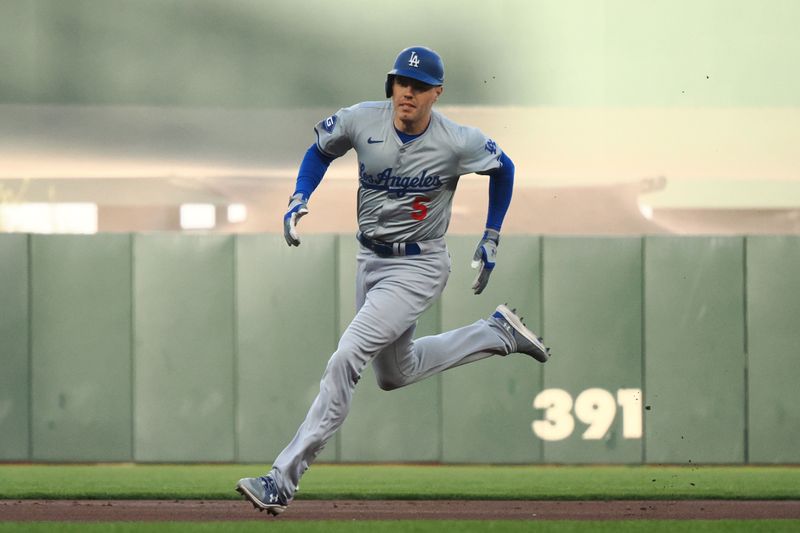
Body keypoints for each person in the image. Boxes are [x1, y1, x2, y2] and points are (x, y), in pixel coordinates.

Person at [236, 45, 550, 516]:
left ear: (436, 93)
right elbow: (319, 151)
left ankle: (282, 479)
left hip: (419, 266)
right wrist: (299, 193)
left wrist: (492, 234)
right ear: (392, 85)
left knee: (347, 357)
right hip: (371, 259)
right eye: (403, 82)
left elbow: (503, 168)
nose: (409, 92)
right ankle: (495, 333)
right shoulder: (362, 120)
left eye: (420, 86)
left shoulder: (457, 140)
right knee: (394, 374)